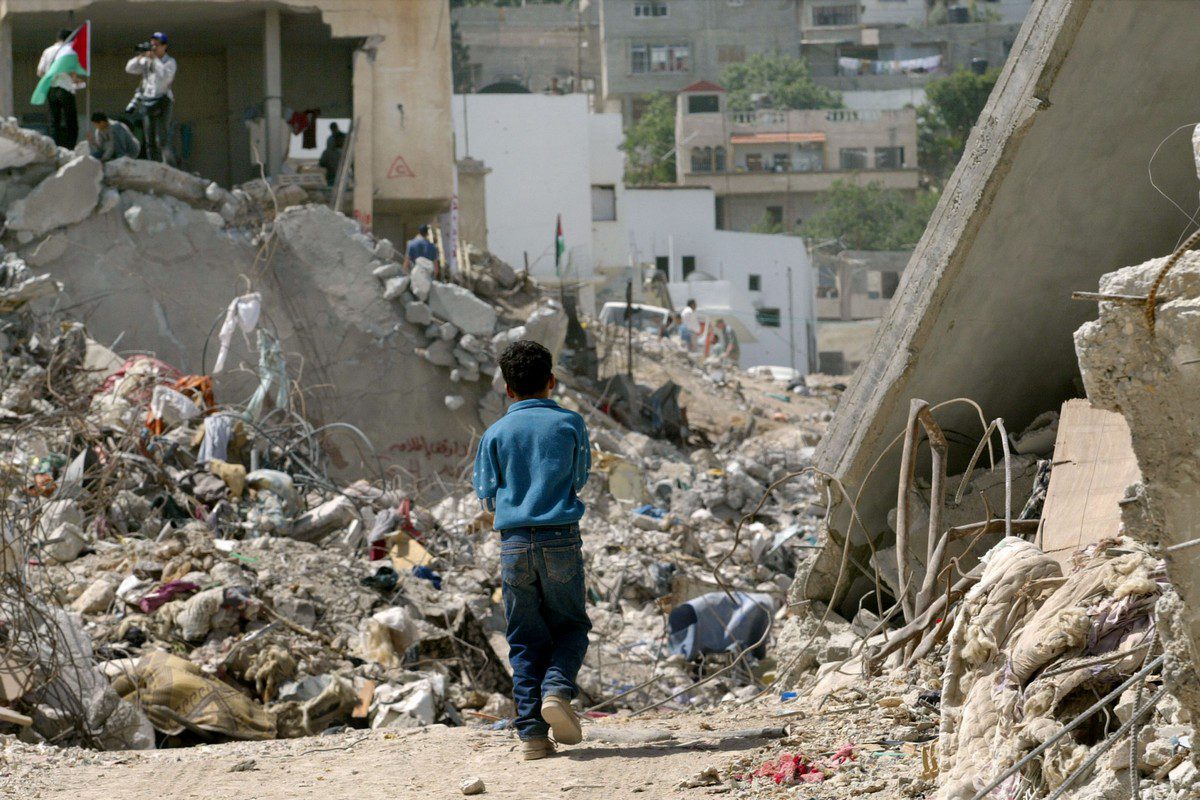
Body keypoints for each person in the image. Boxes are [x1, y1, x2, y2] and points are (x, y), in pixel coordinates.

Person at [473, 340, 592, 761]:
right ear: (552, 381)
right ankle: (557, 690)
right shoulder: (570, 424)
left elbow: (485, 493)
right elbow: (579, 478)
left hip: (514, 544)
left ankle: (532, 737)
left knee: (524, 638)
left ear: (508, 390)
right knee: (571, 627)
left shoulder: (495, 433)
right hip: (561, 537)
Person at [125, 32, 176, 162]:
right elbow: (129, 69)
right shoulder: (147, 60)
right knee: (150, 139)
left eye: (156, 45)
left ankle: (169, 166)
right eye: (152, 45)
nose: (153, 48)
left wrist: (155, 59)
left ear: (164, 46)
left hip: (163, 99)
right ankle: (154, 165)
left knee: (162, 139)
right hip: (148, 100)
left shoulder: (170, 62)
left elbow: (164, 78)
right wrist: (140, 56)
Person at [38, 29, 85, 149]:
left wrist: (50, 79)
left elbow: (40, 72)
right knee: (71, 121)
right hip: (66, 88)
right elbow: (72, 72)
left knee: (54, 121)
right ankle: (71, 148)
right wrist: (75, 80)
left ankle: (55, 148)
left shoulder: (47, 51)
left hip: (51, 89)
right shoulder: (69, 51)